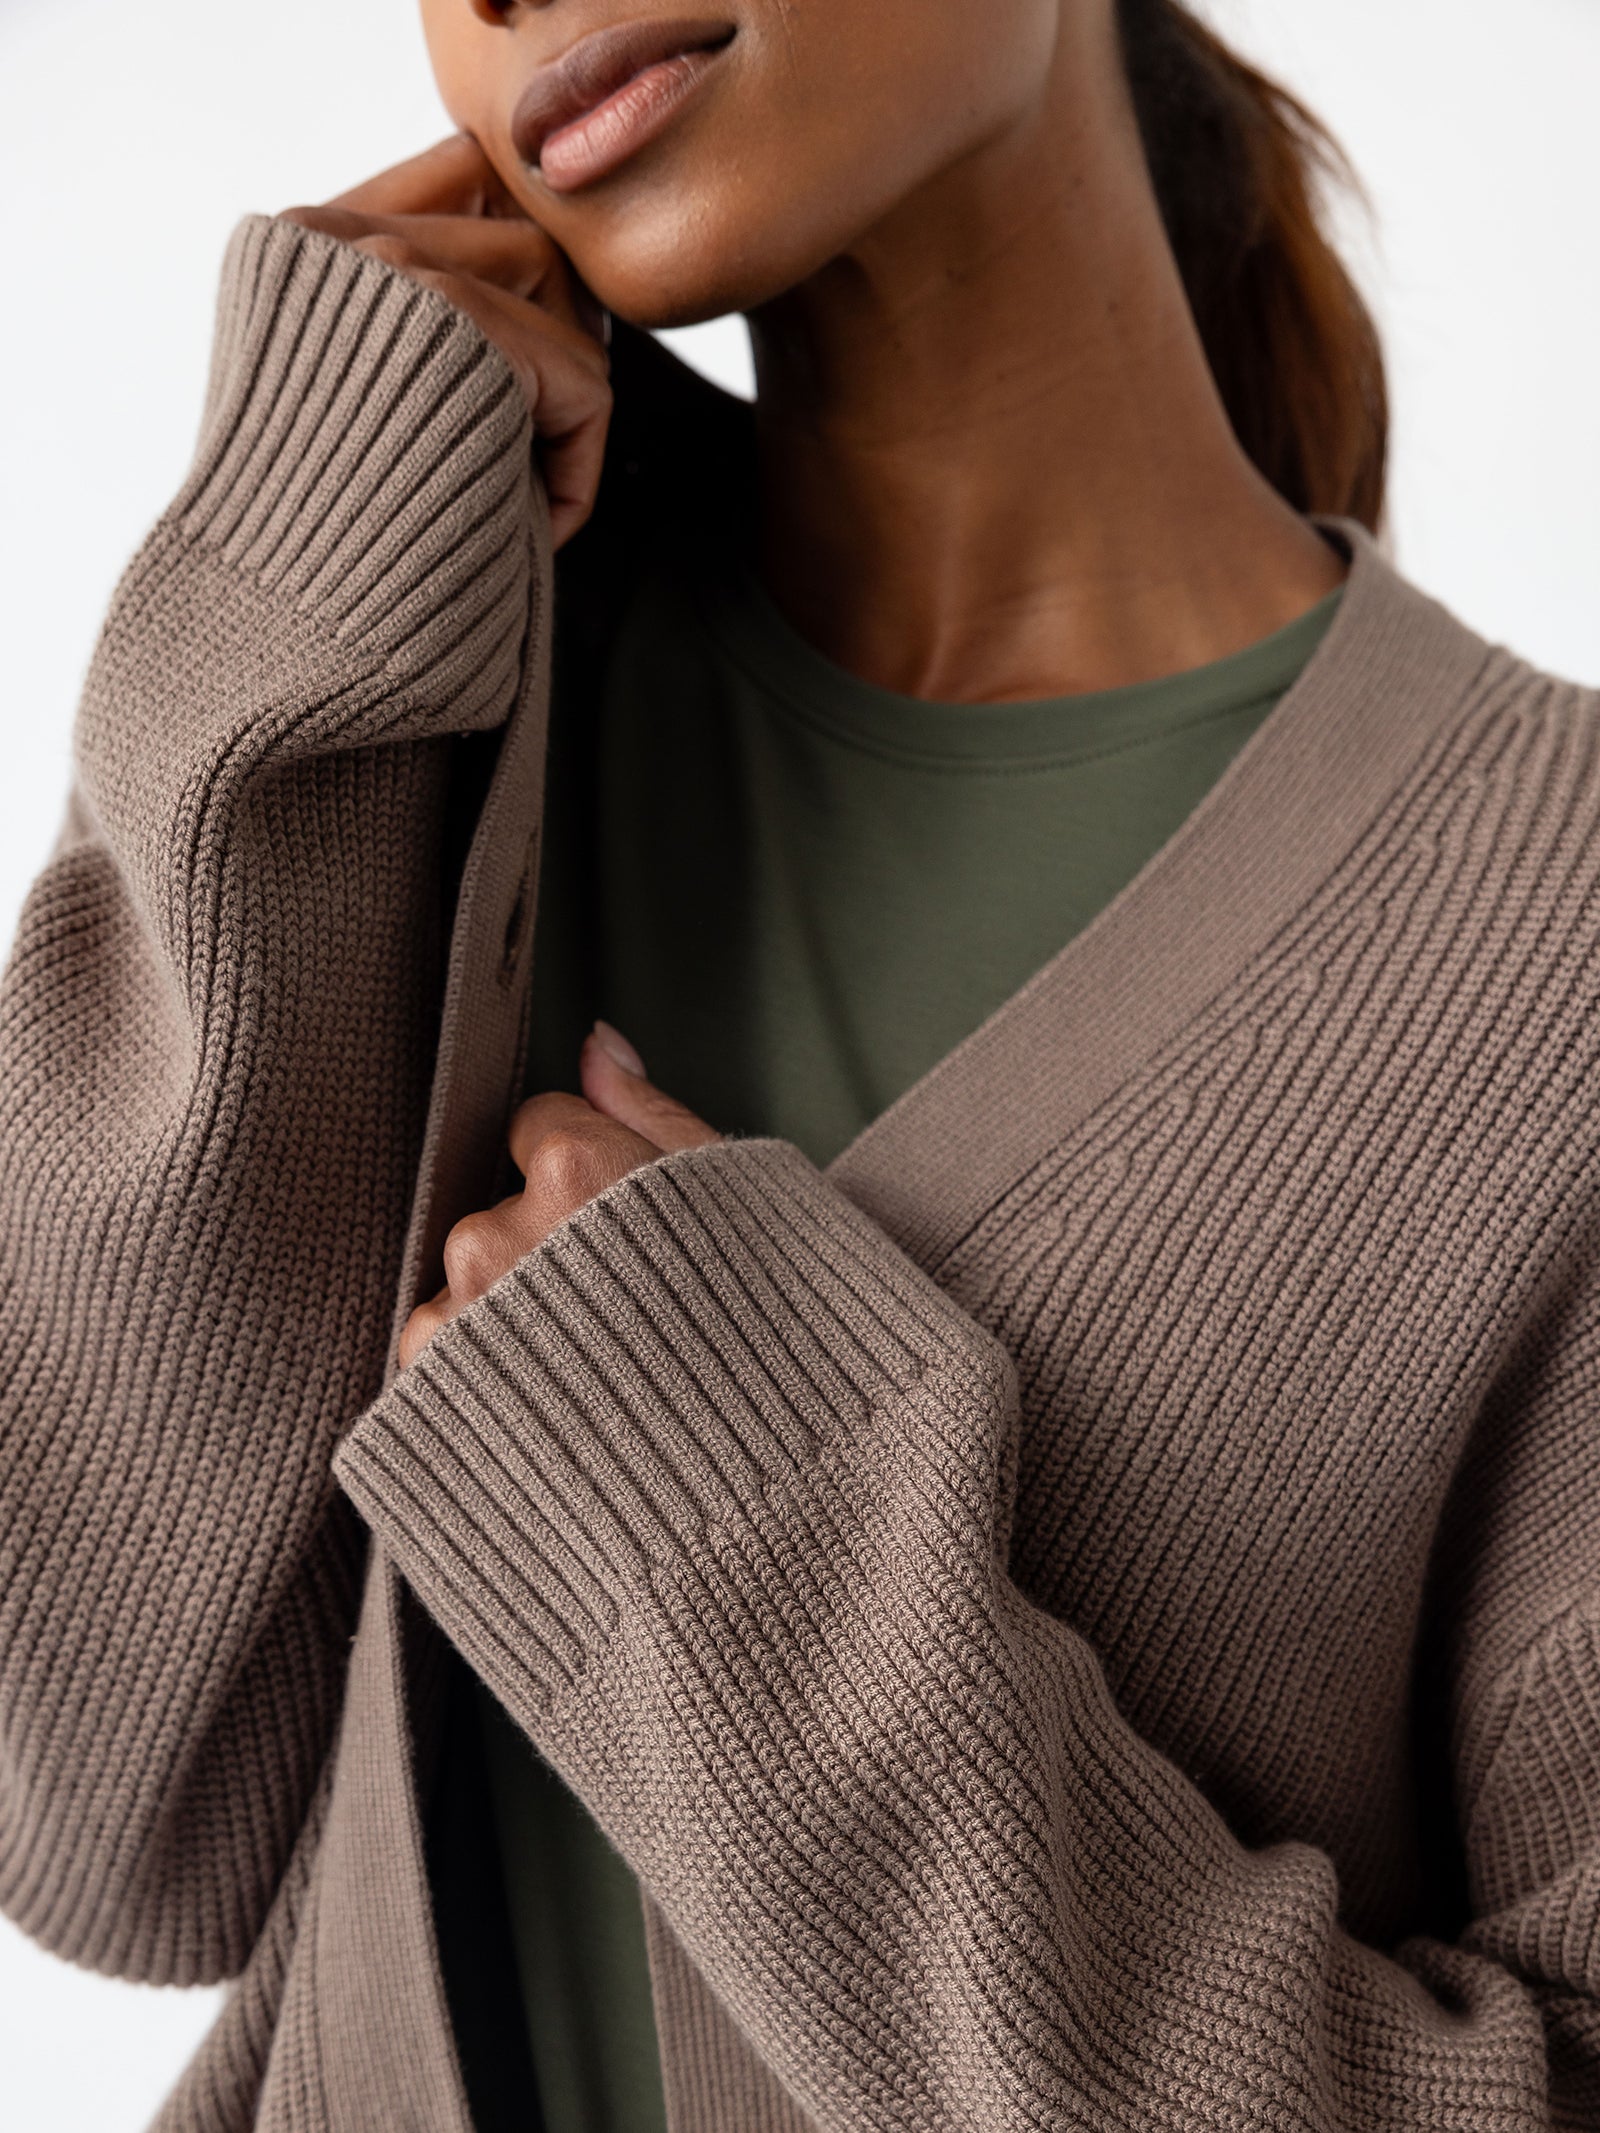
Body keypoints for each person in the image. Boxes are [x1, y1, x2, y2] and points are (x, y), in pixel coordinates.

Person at [1, 0, 1596, 2128]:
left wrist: (744, 1540)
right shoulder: (432, 658)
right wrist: (257, 641)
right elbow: (95, 1805)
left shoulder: (1545, 940)